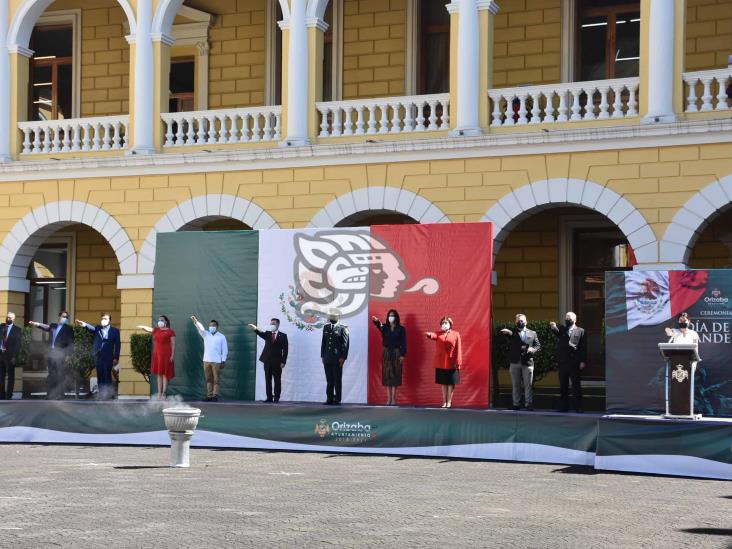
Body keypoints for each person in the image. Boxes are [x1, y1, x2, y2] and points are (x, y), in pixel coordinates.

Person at [29, 311, 74, 400]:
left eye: (66, 317)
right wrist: (36, 324)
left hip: (61, 354)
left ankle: (60, 394)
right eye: (63, 316)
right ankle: (50, 394)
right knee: (51, 374)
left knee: (60, 375)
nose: (64, 318)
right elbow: (46, 327)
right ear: (59, 317)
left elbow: (71, 343)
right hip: (52, 354)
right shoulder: (54, 326)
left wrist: (68, 355)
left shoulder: (69, 329)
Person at [500, 313, 540, 411]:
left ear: (526, 322)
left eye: (522, 320)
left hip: (528, 362)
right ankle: (516, 404)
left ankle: (528, 404)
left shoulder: (533, 333)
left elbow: (538, 346)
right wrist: (506, 332)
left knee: (528, 384)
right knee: (515, 384)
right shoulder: (512, 333)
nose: (520, 322)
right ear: (515, 322)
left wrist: (533, 349)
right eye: (518, 320)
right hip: (515, 362)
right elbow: (508, 334)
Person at [76, 313, 121, 400]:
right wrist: (83, 324)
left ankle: (108, 394)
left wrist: (116, 357)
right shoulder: (98, 328)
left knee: (107, 375)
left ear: (109, 320)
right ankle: (101, 394)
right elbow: (90, 327)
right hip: (98, 356)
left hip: (108, 356)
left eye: (106, 319)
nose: (103, 320)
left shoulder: (115, 331)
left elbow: (118, 345)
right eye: (102, 318)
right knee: (100, 375)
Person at [550, 312, 587, 413]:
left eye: (569, 318)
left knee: (576, 386)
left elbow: (583, 347)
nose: (567, 320)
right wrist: (553, 327)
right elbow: (557, 332)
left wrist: (583, 361)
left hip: (574, 363)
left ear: (574, 319)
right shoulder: (563, 329)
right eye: (566, 318)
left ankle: (578, 407)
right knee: (563, 386)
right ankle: (564, 407)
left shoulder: (580, 331)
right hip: (563, 362)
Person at [247, 318, 288, 403]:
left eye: (274, 323)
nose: (272, 325)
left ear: (278, 325)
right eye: (271, 323)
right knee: (268, 379)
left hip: (277, 362)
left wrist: (283, 362)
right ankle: (269, 397)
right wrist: (255, 327)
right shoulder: (268, 334)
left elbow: (286, 350)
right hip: (267, 361)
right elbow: (260, 332)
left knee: (277, 380)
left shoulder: (283, 336)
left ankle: (276, 398)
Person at [371, 309, 407, 406]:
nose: (391, 317)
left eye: (393, 315)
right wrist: (376, 321)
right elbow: (379, 325)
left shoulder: (401, 329)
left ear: (396, 317)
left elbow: (404, 343)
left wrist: (403, 355)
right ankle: (388, 399)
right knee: (387, 376)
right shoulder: (385, 327)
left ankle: (394, 399)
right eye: (389, 315)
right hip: (386, 353)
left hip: (396, 353)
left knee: (395, 375)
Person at [425, 316, 462, 408]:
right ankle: (444, 401)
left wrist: (458, 361)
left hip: (452, 362)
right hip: (441, 362)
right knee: (443, 382)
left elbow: (459, 349)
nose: (444, 325)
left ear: (450, 324)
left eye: (446, 323)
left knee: (450, 383)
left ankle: (449, 402)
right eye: (442, 323)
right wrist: (429, 334)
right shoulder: (439, 333)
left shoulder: (456, 334)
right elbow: (433, 335)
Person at [136, 315, 176, 400]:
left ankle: (164, 393)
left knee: (165, 374)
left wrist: (172, 355)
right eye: (159, 320)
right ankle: (159, 393)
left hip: (166, 355)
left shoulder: (170, 331)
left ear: (166, 322)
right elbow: (148, 329)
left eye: (161, 320)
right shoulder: (156, 330)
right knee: (159, 375)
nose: (160, 321)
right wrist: (142, 327)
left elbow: (173, 344)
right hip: (157, 355)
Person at [191, 315, 228, 402]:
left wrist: (223, 361)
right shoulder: (205, 334)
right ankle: (209, 395)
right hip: (206, 360)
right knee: (208, 379)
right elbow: (200, 329)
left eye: (213, 325)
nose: (211, 327)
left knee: (216, 379)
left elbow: (225, 350)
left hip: (217, 361)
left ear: (217, 327)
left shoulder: (221, 336)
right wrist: (196, 321)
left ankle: (215, 396)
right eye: (210, 325)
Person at [320, 310, 349, 405]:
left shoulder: (343, 328)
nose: (331, 317)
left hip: (337, 359)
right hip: (327, 358)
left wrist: (343, 357)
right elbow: (323, 342)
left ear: (338, 317)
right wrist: (322, 355)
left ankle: (337, 399)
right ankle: (329, 398)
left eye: (333, 316)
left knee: (337, 379)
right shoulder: (326, 327)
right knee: (329, 379)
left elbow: (345, 344)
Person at [0, 312, 22, 400]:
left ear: (13, 319)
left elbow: (18, 344)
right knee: (1, 376)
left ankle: (9, 395)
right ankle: (1, 394)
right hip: (1, 354)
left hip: (10, 356)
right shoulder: (1, 327)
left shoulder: (17, 330)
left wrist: (14, 356)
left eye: (10, 318)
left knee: (10, 376)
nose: (8, 319)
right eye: (7, 317)